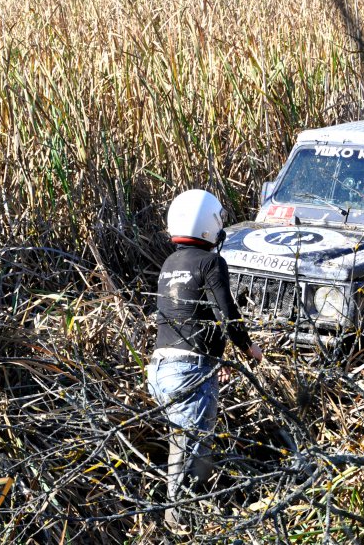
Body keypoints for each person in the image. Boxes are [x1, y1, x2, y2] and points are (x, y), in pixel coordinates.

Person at [146, 189, 263, 529]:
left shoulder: (170, 263)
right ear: (211, 225)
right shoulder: (212, 262)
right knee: (189, 465)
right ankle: (179, 530)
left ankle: (186, 523)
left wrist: (216, 361)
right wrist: (248, 348)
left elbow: (188, 318)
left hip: (161, 369)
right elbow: (226, 314)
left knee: (182, 450)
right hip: (188, 373)